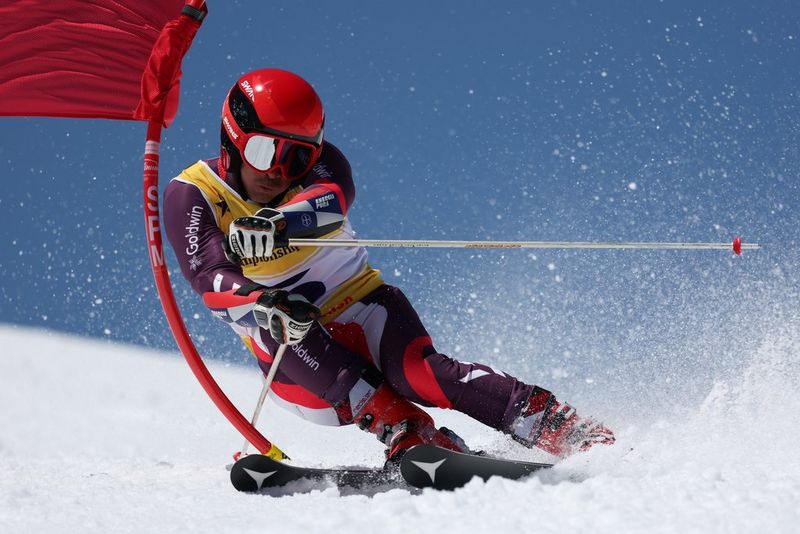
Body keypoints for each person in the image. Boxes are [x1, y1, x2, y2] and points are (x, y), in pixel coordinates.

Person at [164, 68, 614, 464]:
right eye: (264, 152)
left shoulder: (324, 168)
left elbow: (331, 202)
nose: (279, 171)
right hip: (294, 365)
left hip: (363, 309)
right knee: (281, 326)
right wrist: (261, 302)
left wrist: (280, 222)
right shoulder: (193, 193)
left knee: (423, 374)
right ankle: (406, 428)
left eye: (297, 156)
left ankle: (557, 425)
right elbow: (206, 273)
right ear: (231, 138)